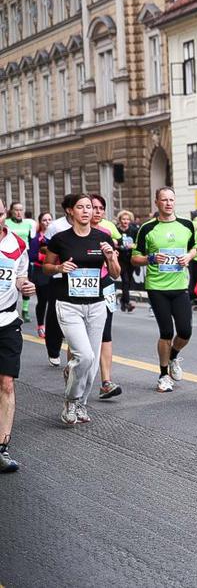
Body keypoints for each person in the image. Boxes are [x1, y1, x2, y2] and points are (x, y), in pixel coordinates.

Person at [44, 194, 120, 425]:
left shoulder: (103, 238)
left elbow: (116, 273)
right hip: (69, 305)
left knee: (93, 360)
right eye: (81, 207)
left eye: (90, 207)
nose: (87, 211)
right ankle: (70, 400)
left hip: (97, 305)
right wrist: (59, 266)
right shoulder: (60, 239)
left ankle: (80, 404)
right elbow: (46, 267)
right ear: (71, 211)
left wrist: (110, 257)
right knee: (84, 356)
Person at [132, 187, 197, 393]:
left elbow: (193, 248)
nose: (168, 203)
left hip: (180, 286)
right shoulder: (147, 228)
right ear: (157, 203)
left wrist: (188, 257)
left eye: (171, 200)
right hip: (157, 287)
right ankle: (163, 375)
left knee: (185, 332)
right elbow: (135, 258)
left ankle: (174, 356)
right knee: (167, 332)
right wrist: (151, 258)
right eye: (164, 200)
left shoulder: (187, 225)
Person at [0, 199, 35, 472]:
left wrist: (26, 286)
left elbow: (20, 277)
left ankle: (2, 448)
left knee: (7, 384)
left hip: (7, 319)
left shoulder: (18, 245)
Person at [41, 194, 82, 368]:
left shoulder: (86, 224)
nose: (83, 210)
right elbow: (44, 247)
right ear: (69, 210)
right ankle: (53, 349)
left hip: (81, 277)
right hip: (59, 276)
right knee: (55, 314)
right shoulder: (56, 226)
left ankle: (77, 350)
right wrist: (61, 254)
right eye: (78, 206)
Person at [90, 194, 123, 400]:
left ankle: (106, 382)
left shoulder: (106, 233)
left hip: (105, 284)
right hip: (82, 289)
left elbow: (116, 270)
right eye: (93, 207)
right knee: (82, 336)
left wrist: (112, 258)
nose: (97, 211)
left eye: (101, 208)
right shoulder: (69, 234)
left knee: (106, 333)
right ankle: (73, 375)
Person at [5, 203, 35, 323]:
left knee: (25, 282)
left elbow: (32, 241)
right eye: (16, 210)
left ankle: (25, 309)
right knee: (11, 284)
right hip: (10, 257)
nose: (18, 212)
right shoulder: (6, 222)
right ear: (11, 211)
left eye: (21, 210)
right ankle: (10, 308)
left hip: (25, 256)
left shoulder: (29, 223)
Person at [28, 213, 53, 339]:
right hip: (40, 272)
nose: (47, 222)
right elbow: (32, 256)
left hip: (55, 273)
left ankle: (54, 328)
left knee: (54, 302)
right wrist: (47, 258)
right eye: (44, 220)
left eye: (49, 219)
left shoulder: (57, 237)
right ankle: (40, 326)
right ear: (40, 222)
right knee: (43, 301)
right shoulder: (36, 238)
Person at [115, 210, 139, 312]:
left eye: (127, 219)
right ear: (120, 220)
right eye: (123, 219)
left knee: (128, 280)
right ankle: (127, 302)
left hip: (131, 259)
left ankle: (123, 301)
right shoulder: (116, 230)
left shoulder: (133, 230)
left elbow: (138, 243)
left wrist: (132, 246)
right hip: (120, 259)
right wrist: (117, 246)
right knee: (125, 280)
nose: (125, 221)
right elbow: (112, 242)